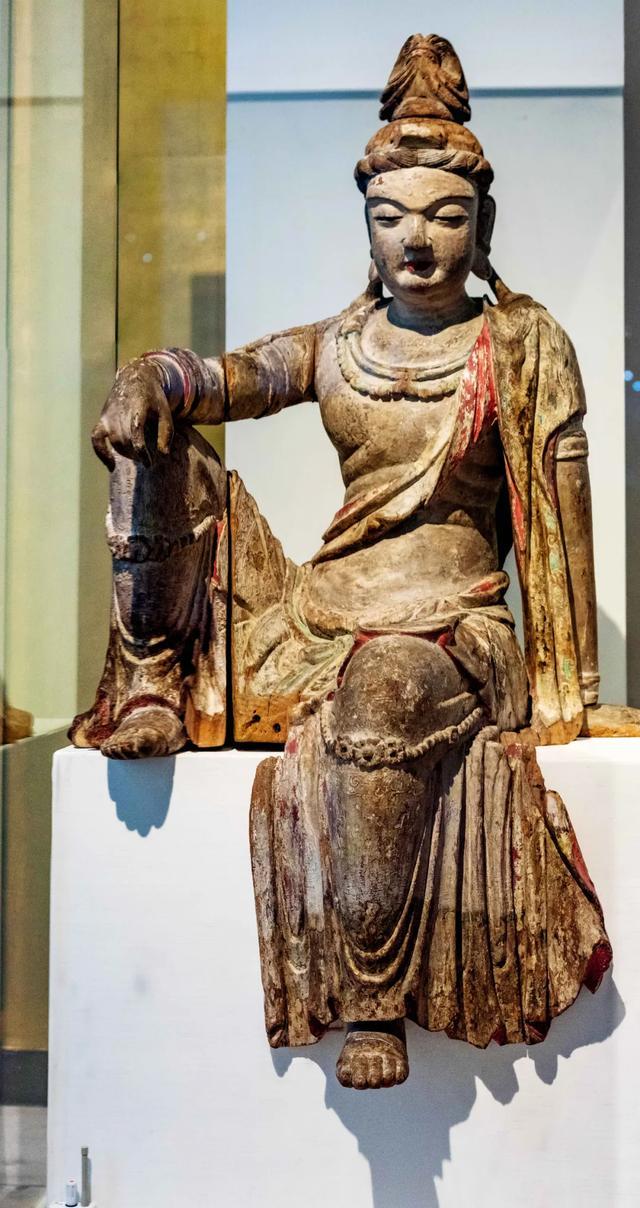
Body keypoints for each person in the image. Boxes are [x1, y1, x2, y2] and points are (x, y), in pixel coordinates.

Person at [72, 34, 612, 1089]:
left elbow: (564, 524)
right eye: (392, 215)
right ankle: (149, 679)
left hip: (449, 626)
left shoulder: (518, 345)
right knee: (160, 446)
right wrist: (155, 376)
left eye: (446, 215)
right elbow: (230, 378)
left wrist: (573, 688)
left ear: (482, 225)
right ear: (365, 228)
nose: (418, 239)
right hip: (317, 613)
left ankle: (373, 996)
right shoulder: (338, 344)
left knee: (384, 689)